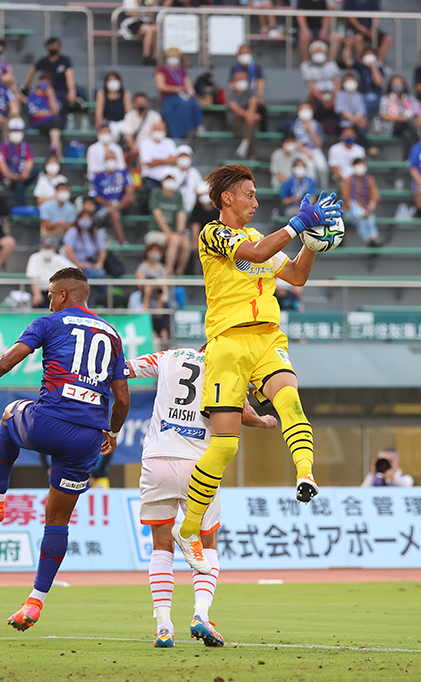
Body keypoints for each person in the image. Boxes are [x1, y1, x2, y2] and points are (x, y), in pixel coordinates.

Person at [0, 268, 131, 632]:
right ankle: (35, 601)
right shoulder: (112, 333)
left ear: (61, 295)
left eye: (49, 294)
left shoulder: (50, 322)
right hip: (88, 437)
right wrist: (113, 430)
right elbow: (122, 397)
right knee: (56, 520)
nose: (47, 300)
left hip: (50, 421)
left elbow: (6, 362)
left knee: (9, 415)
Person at [171, 166, 341, 574]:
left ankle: (306, 474)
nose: (255, 201)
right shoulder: (214, 234)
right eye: (249, 194)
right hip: (227, 343)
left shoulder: (260, 238)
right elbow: (256, 256)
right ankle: (189, 528)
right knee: (226, 444)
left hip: (267, 338)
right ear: (226, 198)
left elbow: (296, 276)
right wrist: (299, 224)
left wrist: (313, 243)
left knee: (290, 400)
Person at [126, 347, 277, 647]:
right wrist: (264, 422)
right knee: (208, 542)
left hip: (158, 459)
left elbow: (125, 369)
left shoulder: (168, 356)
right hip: (199, 465)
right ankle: (201, 615)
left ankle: (164, 626)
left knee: (161, 545)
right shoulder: (228, 366)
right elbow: (241, 413)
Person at [153, 47, 204, 139]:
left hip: (182, 96)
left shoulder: (182, 71)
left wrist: (190, 92)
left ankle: (197, 127)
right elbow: (161, 86)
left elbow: (188, 85)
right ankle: (179, 132)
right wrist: (176, 89)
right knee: (182, 105)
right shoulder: (161, 70)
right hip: (169, 98)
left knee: (193, 103)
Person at [25, 37, 77, 124]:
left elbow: (70, 77)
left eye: (55, 45)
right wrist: (27, 87)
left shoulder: (64, 61)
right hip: (45, 92)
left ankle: (60, 126)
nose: (53, 48)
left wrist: (72, 92)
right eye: (51, 46)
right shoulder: (43, 61)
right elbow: (32, 72)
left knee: (61, 107)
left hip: (60, 92)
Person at [149, 172, 189, 275]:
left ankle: (180, 271)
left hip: (174, 232)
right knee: (174, 240)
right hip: (156, 231)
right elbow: (157, 214)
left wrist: (180, 231)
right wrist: (168, 232)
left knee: (185, 243)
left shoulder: (178, 195)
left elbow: (181, 214)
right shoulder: (156, 193)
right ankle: (169, 270)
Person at [90, 149, 134, 245]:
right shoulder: (98, 176)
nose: (110, 161)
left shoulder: (124, 173)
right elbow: (95, 195)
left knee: (130, 198)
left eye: (112, 158)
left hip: (122, 205)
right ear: (104, 161)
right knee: (115, 214)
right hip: (105, 205)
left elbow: (130, 190)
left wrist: (115, 206)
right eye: (108, 158)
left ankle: (111, 210)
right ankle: (123, 241)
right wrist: (107, 204)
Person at [379, 75, 421, 159]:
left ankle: (407, 160)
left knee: (407, 135)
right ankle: (419, 141)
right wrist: (400, 118)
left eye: (399, 83)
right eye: (395, 83)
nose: (397, 85)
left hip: (408, 127)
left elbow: (419, 110)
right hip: (393, 126)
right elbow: (384, 116)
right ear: (391, 85)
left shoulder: (408, 98)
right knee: (406, 122)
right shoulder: (386, 99)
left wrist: (419, 121)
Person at [0, 119, 36, 206]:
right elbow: (0, 162)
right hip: (8, 176)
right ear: (9, 132)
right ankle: (22, 207)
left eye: (19, 131)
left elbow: (30, 160)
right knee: (19, 184)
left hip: (22, 174)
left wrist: (26, 172)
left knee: (36, 170)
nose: (16, 133)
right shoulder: (4, 146)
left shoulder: (26, 146)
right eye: (14, 131)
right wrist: (9, 175)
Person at [340, 159, 381, 246]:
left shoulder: (369, 180)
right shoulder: (347, 181)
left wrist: (369, 209)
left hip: (365, 209)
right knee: (361, 220)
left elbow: (374, 197)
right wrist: (359, 211)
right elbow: (347, 199)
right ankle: (368, 240)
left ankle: (373, 238)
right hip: (350, 210)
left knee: (370, 218)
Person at [25, 237, 75, 308]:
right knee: (38, 302)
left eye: (50, 248)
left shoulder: (59, 259)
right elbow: (34, 277)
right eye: (45, 248)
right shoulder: (34, 258)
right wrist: (37, 294)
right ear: (40, 248)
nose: (47, 251)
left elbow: (75, 271)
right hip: (42, 291)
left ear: (54, 249)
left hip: (58, 292)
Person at [229, 46, 268, 132]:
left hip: (253, 96)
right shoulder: (235, 68)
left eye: (247, 53)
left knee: (261, 107)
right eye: (242, 53)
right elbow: (231, 85)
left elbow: (260, 83)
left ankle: (263, 132)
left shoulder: (256, 68)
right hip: (240, 96)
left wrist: (259, 96)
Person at [62, 204, 107, 280]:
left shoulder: (95, 233)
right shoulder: (73, 232)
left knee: (100, 273)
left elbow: (102, 250)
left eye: (88, 218)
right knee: (90, 274)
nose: (85, 220)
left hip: (92, 264)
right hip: (76, 265)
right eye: (83, 218)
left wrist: (99, 263)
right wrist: (79, 264)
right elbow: (67, 249)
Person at [301, 41, 340, 126]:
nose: (318, 54)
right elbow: (311, 86)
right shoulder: (306, 66)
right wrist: (322, 99)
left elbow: (336, 83)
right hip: (316, 96)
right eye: (316, 52)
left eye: (320, 51)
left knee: (340, 106)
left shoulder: (331, 65)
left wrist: (333, 97)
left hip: (332, 94)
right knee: (316, 106)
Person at [335, 73, 375, 153]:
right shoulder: (340, 95)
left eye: (352, 80)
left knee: (362, 128)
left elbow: (361, 111)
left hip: (357, 123)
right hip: (344, 123)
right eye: (347, 81)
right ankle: (368, 147)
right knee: (351, 132)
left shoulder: (358, 96)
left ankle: (366, 149)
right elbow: (342, 110)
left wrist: (358, 120)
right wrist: (354, 120)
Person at [26, 72, 64, 157]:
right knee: (55, 132)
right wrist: (49, 112)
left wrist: (51, 95)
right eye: (43, 81)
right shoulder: (33, 96)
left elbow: (56, 111)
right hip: (40, 123)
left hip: (53, 122)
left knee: (55, 131)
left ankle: (54, 150)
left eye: (47, 82)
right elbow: (35, 113)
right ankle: (58, 157)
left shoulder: (53, 96)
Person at [225, 71, 260, 159]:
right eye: (239, 79)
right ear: (234, 81)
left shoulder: (250, 91)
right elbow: (234, 107)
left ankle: (245, 144)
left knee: (250, 124)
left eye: (244, 79)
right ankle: (252, 155)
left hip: (246, 121)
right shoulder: (230, 92)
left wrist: (250, 115)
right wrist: (249, 116)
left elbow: (253, 102)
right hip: (234, 121)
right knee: (252, 124)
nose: (242, 81)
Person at [293, 103, 329, 188]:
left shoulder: (316, 124)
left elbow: (319, 143)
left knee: (322, 167)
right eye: (302, 109)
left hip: (315, 149)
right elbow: (294, 142)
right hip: (301, 150)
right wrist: (306, 153)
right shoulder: (294, 125)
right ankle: (312, 192)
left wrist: (309, 130)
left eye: (308, 109)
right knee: (310, 169)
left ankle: (324, 190)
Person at [344, 0, 391, 64]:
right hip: (356, 30)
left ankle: (378, 64)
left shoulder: (373, 1)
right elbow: (350, 16)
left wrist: (373, 29)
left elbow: (377, 16)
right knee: (358, 38)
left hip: (371, 30)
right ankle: (362, 63)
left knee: (387, 39)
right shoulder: (351, 1)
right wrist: (362, 29)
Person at [344, 44, 385, 117]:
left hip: (377, 95)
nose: (368, 56)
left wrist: (373, 67)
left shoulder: (379, 68)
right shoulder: (360, 67)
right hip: (362, 95)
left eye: (370, 54)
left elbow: (379, 82)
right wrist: (348, 46)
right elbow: (347, 60)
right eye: (366, 54)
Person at [139, 120, 178, 194]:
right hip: (151, 177)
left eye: (160, 129)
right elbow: (148, 163)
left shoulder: (170, 143)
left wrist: (156, 160)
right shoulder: (145, 144)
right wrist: (167, 160)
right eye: (156, 129)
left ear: (165, 131)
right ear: (151, 131)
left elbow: (174, 160)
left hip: (168, 177)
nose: (158, 131)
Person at [122, 92, 163, 157]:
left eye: (143, 101)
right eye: (138, 102)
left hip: (151, 146)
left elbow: (158, 131)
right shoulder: (129, 116)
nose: (141, 104)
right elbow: (128, 134)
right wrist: (133, 148)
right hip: (136, 147)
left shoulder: (155, 116)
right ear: (134, 104)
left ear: (147, 103)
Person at [95, 72, 131, 139]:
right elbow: (99, 113)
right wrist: (98, 128)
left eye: (115, 79)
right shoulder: (102, 94)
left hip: (122, 122)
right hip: (108, 122)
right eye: (110, 80)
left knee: (128, 132)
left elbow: (129, 112)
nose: (113, 82)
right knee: (112, 133)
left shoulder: (125, 94)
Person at [172, 145, 203, 215]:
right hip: (174, 208)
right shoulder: (171, 172)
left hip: (191, 208)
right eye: (181, 156)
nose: (184, 158)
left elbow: (199, 189)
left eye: (186, 156)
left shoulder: (195, 173)